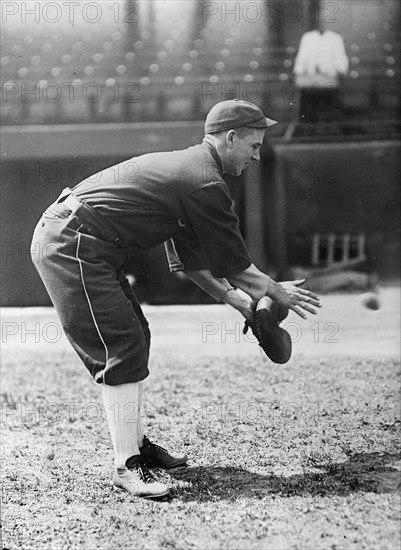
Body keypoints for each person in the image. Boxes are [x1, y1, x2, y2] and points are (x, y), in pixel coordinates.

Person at [31, 99, 321, 499]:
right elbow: (237, 267)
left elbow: (191, 262)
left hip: (91, 242)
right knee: (122, 344)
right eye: (253, 146)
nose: (257, 156)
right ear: (230, 138)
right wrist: (276, 291)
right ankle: (126, 466)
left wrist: (238, 302)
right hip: (73, 242)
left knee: (136, 336)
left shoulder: (193, 171)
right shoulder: (203, 180)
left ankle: (136, 447)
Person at [293, 21, 349, 123]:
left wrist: (328, 70)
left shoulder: (336, 38)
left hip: (328, 79)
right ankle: (307, 126)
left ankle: (329, 126)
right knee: (307, 106)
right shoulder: (307, 37)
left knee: (329, 105)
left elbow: (341, 61)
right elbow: (302, 58)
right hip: (310, 80)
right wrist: (301, 72)